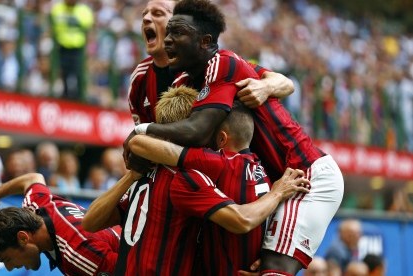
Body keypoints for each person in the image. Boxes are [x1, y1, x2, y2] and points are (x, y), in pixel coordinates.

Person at [124, 0, 344, 275]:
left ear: (204, 41)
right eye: (167, 32)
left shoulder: (223, 62)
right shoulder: (172, 82)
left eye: (175, 30)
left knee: (273, 271)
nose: (168, 38)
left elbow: (197, 130)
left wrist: (141, 132)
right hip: (262, 180)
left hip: (304, 174)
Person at [83, 85, 309, 275]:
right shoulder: (187, 178)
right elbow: (241, 221)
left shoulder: (147, 175)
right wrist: (278, 192)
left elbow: (90, 222)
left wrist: (132, 175)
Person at [129, 0, 294, 126]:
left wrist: (266, 87)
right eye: (144, 14)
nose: (146, 19)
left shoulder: (212, 63)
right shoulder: (139, 78)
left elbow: (286, 83)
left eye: (158, 13)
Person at [0, 173, 120, 275]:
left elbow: (136, 270)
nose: (9, 268)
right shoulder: (36, 206)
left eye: (7, 259)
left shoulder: (77, 253)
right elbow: (33, 178)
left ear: (23, 238)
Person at [51, 0, 94, 100]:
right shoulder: (57, 9)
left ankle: (79, 96)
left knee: (78, 73)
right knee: (63, 72)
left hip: (78, 48)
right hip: (61, 47)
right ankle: (65, 94)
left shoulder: (84, 11)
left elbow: (90, 31)